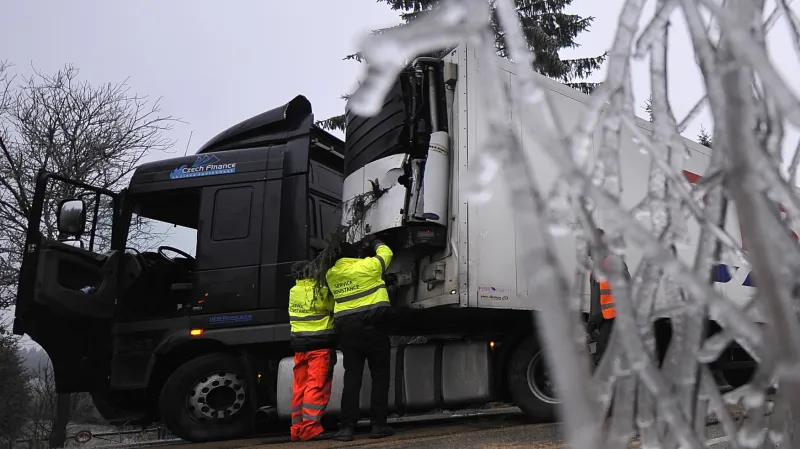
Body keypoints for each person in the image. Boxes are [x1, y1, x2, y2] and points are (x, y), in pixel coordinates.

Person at [326, 236, 395, 442]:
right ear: (353, 255)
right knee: (380, 378)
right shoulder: (368, 266)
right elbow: (387, 253)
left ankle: (347, 428)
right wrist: (374, 243)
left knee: (352, 379)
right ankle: (378, 425)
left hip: (348, 333)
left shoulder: (332, 274)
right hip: (374, 330)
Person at [288, 261, 337, 442]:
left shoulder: (294, 291)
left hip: (299, 346)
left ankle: (297, 429)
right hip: (319, 346)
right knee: (316, 386)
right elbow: (333, 306)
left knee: (299, 387)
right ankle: (310, 429)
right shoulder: (320, 290)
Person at [586, 229, 630, 364]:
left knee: (606, 361)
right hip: (608, 321)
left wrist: (592, 325)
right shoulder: (599, 268)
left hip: (612, 321)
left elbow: (607, 301)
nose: (589, 255)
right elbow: (597, 301)